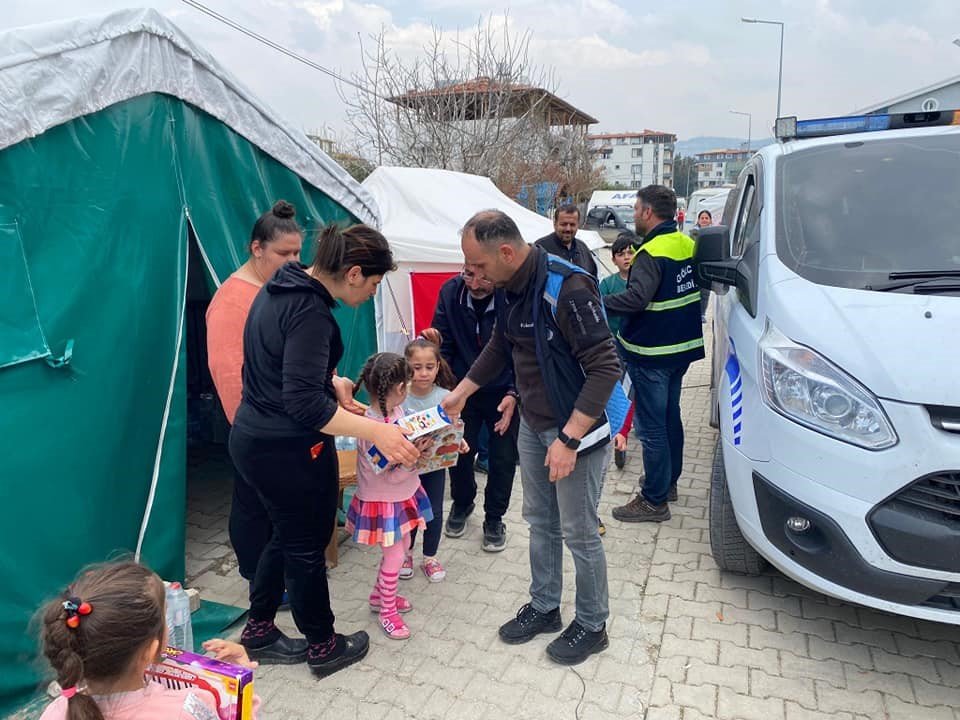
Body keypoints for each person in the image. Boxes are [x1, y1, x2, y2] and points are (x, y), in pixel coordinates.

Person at [229, 220, 419, 676]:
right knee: (307, 544)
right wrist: (377, 431)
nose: (373, 293)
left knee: (283, 534)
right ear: (352, 273)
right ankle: (323, 645)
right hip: (287, 449)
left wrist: (329, 381)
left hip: (253, 437)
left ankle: (259, 629)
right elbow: (301, 404)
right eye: (373, 284)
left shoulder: (280, 289)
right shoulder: (312, 313)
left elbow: (281, 367)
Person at [443, 210, 620, 666]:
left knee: (579, 532)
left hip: (573, 433)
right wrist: (461, 392)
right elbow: (502, 344)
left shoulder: (568, 287)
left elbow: (605, 369)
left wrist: (569, 438)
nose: (473, 276)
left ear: (505, 252)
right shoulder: (506, 287)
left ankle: (593, 623)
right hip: (532, 424)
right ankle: (545, 606)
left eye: (477, 266)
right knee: (540, 522)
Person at [206, 200, 302, 594]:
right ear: (256, 248)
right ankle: (259, 581)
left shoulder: (277, 289)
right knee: (253, 505)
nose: (294, 261)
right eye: (284, 253)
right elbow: (229, 375)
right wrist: (254, 431)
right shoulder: (232, 301)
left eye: (298, 252)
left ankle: (278, 576)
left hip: (282, 423)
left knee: (276, 507)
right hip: (256, 426)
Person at [37, 561, 260, 720]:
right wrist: (240, 683)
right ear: (149, 651)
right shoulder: (186, 709)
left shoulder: (58, 710)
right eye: (165, 618)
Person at [604, 185, 705, 523]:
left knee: (651, 428)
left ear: (648, 212)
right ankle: (668, 483)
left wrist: (599, 300)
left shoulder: (649, 252)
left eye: (636, 209)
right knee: (670, 417)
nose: (634, 215)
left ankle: (653, 499)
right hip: (681, 350)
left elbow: (636, 299)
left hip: (652, 353)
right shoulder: (686, 244)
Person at [346, 353, 436, 640]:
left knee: (404, 545)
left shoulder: (397, 413)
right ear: (399, 388)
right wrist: (414, 458)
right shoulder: (372, 428)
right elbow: (382, 470)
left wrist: (425, 446)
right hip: (384, 500)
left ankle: (379, 596)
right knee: (395, 555)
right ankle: (387, 611)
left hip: (402, 493)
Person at [432, 266, 519, 552]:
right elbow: (443, 346)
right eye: (469, 275)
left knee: (503, 458)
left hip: (503, 393)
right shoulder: (450, 291)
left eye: (484, 277)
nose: (475, 284)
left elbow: (524, 350)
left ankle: (494, 518)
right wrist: (448, 389)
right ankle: (462, 502)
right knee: (457, 452)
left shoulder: (512, 294)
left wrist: (514, 392)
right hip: (462, 390)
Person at [402, 329, 459, 581]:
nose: (423, 373)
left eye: (428, 367)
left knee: (433, 510)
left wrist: (462, 442)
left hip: (435, 468)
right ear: (406, 367)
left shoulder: (445, 397)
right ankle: (406, 553)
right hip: (406, 468)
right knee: (408, 510)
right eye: (416, 367)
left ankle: (431, 557)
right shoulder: (400, 397)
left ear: (438, 367)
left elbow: (455, 428)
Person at [535, 203, 598, 276]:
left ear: (578, 225)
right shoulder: (540, 249)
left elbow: (593, 280)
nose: (568, 229)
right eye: (564, 224)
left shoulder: (583, 249)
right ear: (555, 224)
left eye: (572, 225)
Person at [695, 209, 713, 322]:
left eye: (707, 218)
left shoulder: (714, 233)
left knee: (705, 292)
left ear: (710, 220)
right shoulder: (694, 233)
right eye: (702, 218)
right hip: (696, 266)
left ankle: (702, 313)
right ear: (698, 220)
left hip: (708, 267)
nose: (704, 220)